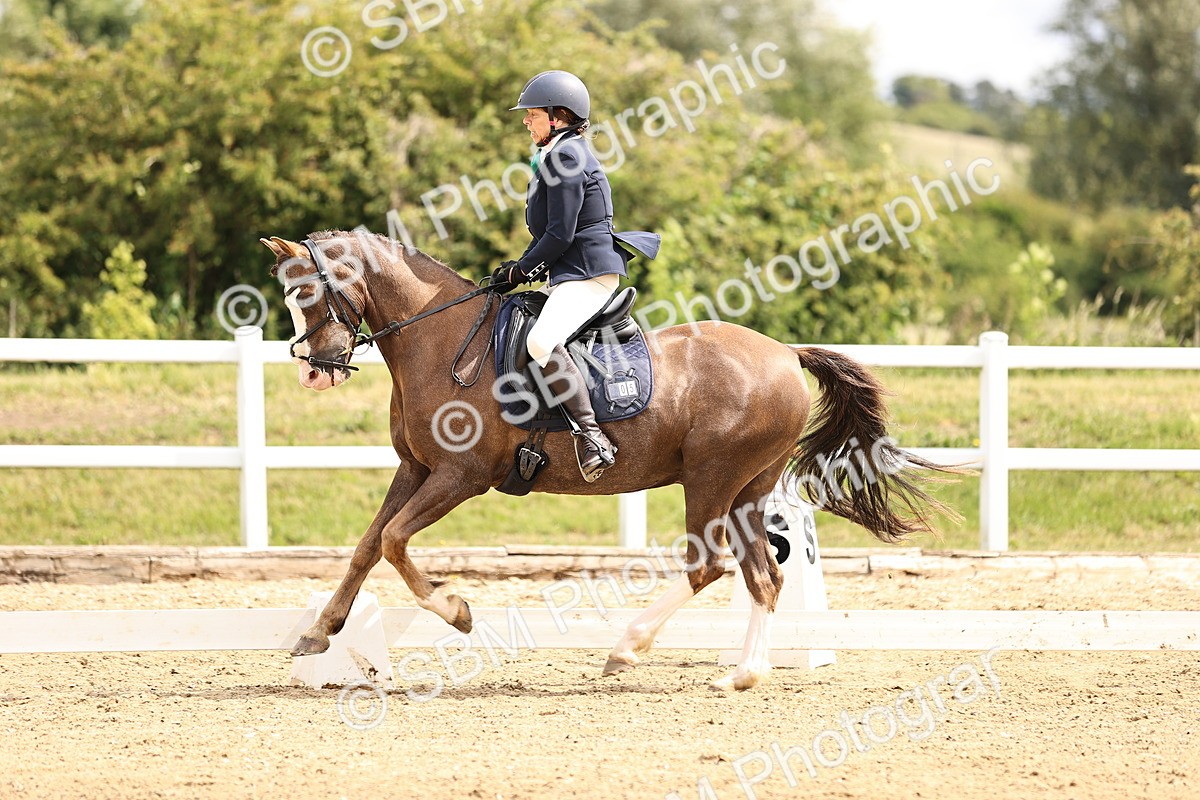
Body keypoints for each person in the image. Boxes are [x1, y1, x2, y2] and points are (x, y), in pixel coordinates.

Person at [491, 70, 659, 482]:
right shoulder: (558, 155)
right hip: (573, 271)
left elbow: (561, 234)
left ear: (558, 116)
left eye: (532, 114)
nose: (526, 122)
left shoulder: (567, 157)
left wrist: (521, 269)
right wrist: (518, 268)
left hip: (588, 273)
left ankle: (592, 438)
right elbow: (553, 233)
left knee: (541, 340)